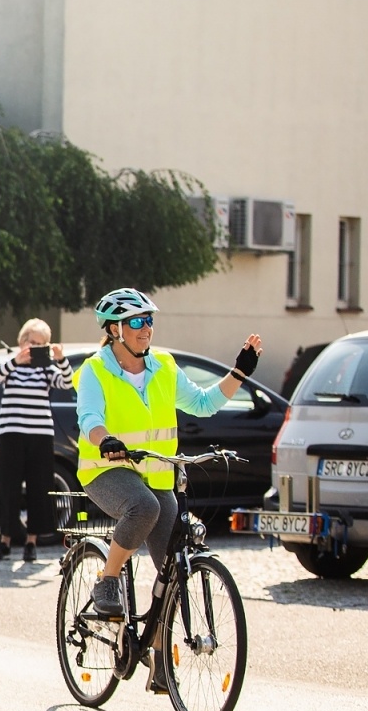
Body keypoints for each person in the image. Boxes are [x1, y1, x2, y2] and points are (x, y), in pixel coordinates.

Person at [75, 287, 261, 687]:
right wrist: (104, 438)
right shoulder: (95, 369)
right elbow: (89, 415)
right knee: (144, 508)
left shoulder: (164, 366)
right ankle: (107, 580)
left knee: (170, 568)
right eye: (137, 322)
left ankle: (159, 657)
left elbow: (204, 403)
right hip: (105, 471)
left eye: (150, 321)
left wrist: (239, 373)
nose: (147, 329)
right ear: (114, 330)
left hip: (157, 473)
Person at [0, 318, 73, 562]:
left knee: (38, 488)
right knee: (9, 488)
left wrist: (61, 360)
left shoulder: (47, 369)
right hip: (12, 433)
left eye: (38, 343)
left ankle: (31, 542)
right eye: (29, 341)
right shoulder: (10, 365)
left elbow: (67, 382)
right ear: (21, 340)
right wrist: (16, 360)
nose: (32, 346)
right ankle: (4, 540)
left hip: (40, 434)